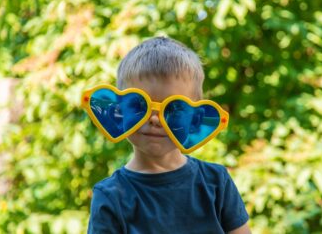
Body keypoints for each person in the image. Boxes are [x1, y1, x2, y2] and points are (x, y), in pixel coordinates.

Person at [87, 37, 251, 234]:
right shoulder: (111, 196)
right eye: (140, 105)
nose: (155, 120)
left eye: (173, 109)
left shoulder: (216, 182)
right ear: (119, 111)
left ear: (193, 118)